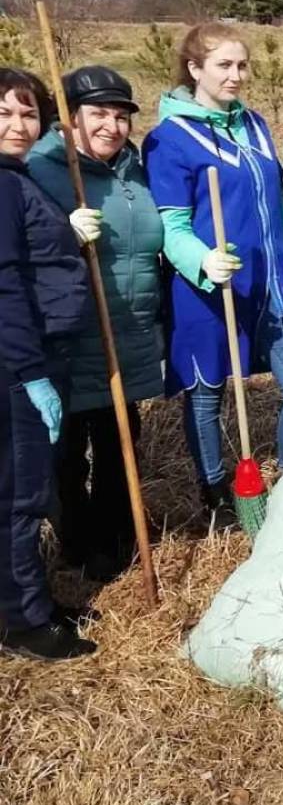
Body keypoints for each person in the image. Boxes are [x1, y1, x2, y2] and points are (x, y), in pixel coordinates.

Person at [143, 25, 283, 522]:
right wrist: (201, 260)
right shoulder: (168, 139)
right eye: (224, 66)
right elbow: (170, 224)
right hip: (212, 285)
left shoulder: (254, 123)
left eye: (242, 65)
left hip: (275, 279)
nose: (237, 75)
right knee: (207, 391)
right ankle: (215, 490)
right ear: (194, 69)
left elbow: (278, 204)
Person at [27, 66, 163, 581]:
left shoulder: (135, 170)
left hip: (125, 329)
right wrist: (61, 232)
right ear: (69, 119)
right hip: (67, 334)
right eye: (97, 114)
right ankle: (74, 538)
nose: (111, 125)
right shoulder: (40, 169)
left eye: (120, 115)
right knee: (67, 451)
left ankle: (113, 541)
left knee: (119, 443)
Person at [0, 67, 94, 660]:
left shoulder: (18, 177)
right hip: (17, 367)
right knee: (19, 496)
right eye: (5, 113)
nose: (18, 124)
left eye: (28, 113)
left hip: (34, 358)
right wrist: (30, 373)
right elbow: (6, 285)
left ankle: (26, 598)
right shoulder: (4, 186)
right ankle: (24, 622)